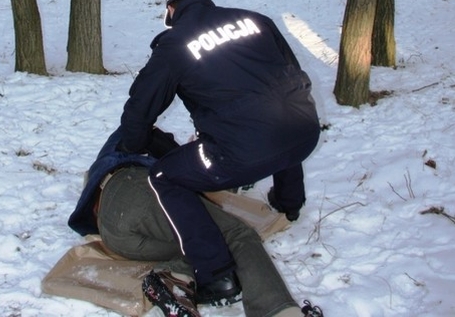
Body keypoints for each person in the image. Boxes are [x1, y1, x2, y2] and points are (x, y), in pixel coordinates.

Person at [115, 0, 321, 305]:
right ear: (207, 1)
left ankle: (217, 274)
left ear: (171, 9)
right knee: (276, 117)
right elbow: (289, 74)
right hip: (305, 130)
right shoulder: (255, 20)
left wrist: (132, 143)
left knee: (165, 177)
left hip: (242, 153)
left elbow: (142, 106)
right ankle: (289, 203)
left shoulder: (175, 44)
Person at [68, 127, 323, 317]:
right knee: (236, 235)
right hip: (134, 190)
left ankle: (173, 278)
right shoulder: (140, 133)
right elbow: (186, 171)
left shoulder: (110, 154)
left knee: (207, 245)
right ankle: (280, 312)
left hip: (115, 237)